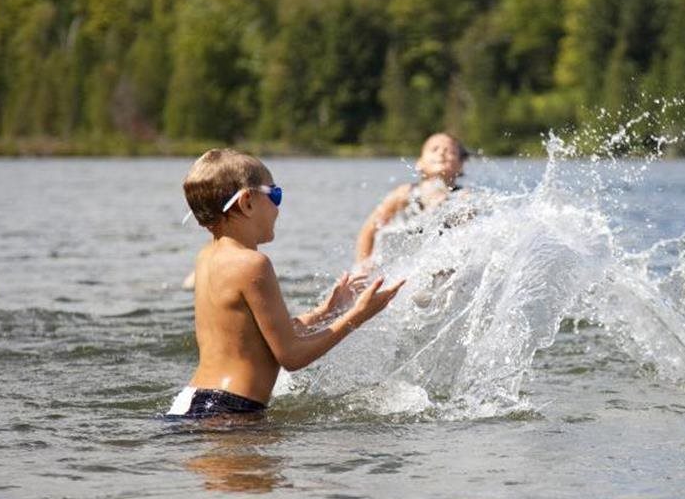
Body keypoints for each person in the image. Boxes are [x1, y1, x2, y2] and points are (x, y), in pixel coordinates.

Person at [169, 149, 405, 418]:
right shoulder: (252, 263)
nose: (278, 207)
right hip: (228, 412)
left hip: (193, 401)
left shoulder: (208, 257)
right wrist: (358, 315)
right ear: (247, 202)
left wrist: (325, 312)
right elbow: (292, 356)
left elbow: (256, 340)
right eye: (275, 195)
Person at [354, 132, 470, 270]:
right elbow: (369, 229)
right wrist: (363, 265)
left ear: (460, 165)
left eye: (450, 151)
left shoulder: (463, 197)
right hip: (406, 261)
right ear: (419, 163)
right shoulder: (404, 194)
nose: (442, 153)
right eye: (434, 149)